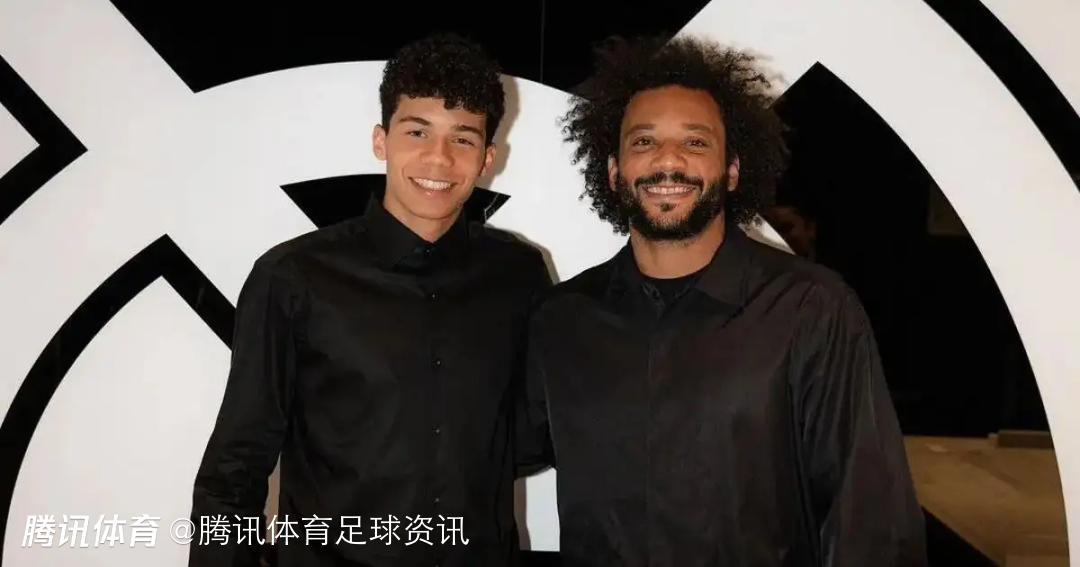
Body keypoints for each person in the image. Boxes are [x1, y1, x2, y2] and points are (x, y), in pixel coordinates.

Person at [517, 34, 927, 566]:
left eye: (695, 142)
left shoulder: (811, 309)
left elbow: (870, 523)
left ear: (732, 170)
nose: (668, 159)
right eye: (643, 142)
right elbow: (491, 448)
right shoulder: (563, 319)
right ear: (614, 171)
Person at [190, 33, 551, 567]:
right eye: (417, 132)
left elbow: (533, 436)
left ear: (487, 158)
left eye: (463, 139)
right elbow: (234, 470)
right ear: (381, 141)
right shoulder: (293, 278)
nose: (439, 158)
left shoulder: (518, 274)